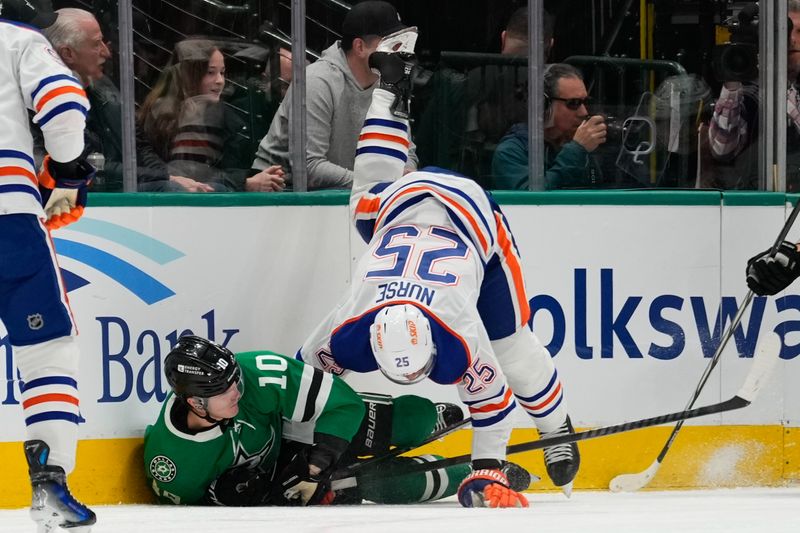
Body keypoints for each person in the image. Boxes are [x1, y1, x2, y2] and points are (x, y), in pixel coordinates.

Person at [297, 28, 580, 508]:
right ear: (374, 342)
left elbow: (494, 404)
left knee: (510, 345)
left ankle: (556, 427)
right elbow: (305, 378)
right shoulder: (351, 323)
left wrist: (485, 473)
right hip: (407, 204)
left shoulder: (454, 326)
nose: (415, 380)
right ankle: (390, 87)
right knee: (366, 201)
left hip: (475, 221)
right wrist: (304, 455)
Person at [143, 336, 533, 507]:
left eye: (235, 380)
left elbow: (344, 403)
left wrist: (317, 461)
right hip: (281, 479)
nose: (238, 391)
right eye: (224, 390)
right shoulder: (173, 463)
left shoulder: (254, 373)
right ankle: (466, 475)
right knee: (384, 486)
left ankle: (429, 417)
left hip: (293, 432)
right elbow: (193, 506)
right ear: (195, 401)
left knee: (381, 423)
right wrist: (237, 496)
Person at [0, 1, 96, 530]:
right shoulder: (18, 39)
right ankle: (50, 487)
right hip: (7, 217)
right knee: (48, 349)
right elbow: (61, 107)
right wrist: (68, 169)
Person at [250, 0, 419, 191]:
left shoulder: (392, 83)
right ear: (360, 47)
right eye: (394, 45)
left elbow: (407, 151)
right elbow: (309, 167)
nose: (401, 54)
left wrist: (406, 174)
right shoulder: (316, 81)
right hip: (280, 196)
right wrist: (375, 186)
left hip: (354, 193)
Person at [38, 8, 173, 192]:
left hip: (129, 188)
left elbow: (139, 146)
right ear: (68, 53)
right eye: (96, 44)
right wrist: (164, 179)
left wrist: (168, 176)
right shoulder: (47, 103)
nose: (106, 52)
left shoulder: (106, 88)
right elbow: (85, 166)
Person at [139, 39, 286, 193]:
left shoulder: (222, 115)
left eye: (222, 72)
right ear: (191, 75)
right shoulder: (170, 114)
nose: (220, 81)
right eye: (210, 73)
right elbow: (195, 178)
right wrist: (246, 182)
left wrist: (256, 178)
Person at [707, 1, 800, 190]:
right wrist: (732, 82)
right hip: (757, 206)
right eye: (784, 31)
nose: (791, 40)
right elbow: (721, 149)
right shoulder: (748, 96)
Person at [491, 63, 607, 190]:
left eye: (585, 102)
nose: (584, 112)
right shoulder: (511, 152)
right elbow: (532, 201)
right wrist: (576, 151)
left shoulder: (579, 144)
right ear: (543, 105)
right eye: (573, 103)